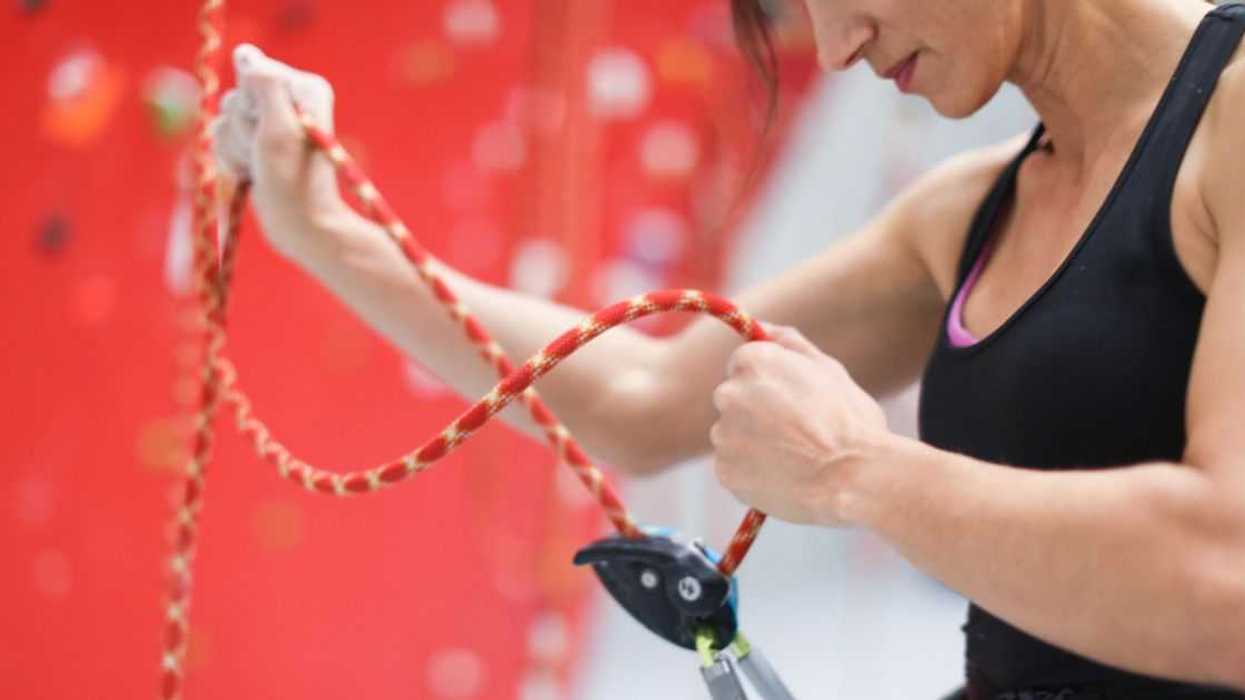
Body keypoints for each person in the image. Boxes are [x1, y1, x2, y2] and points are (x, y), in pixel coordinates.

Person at [212, 0, 1245, 697]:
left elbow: (1226, 578)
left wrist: (857, 473)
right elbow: (646, 392)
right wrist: (325, 235)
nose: (837, 46)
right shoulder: (972, 213)